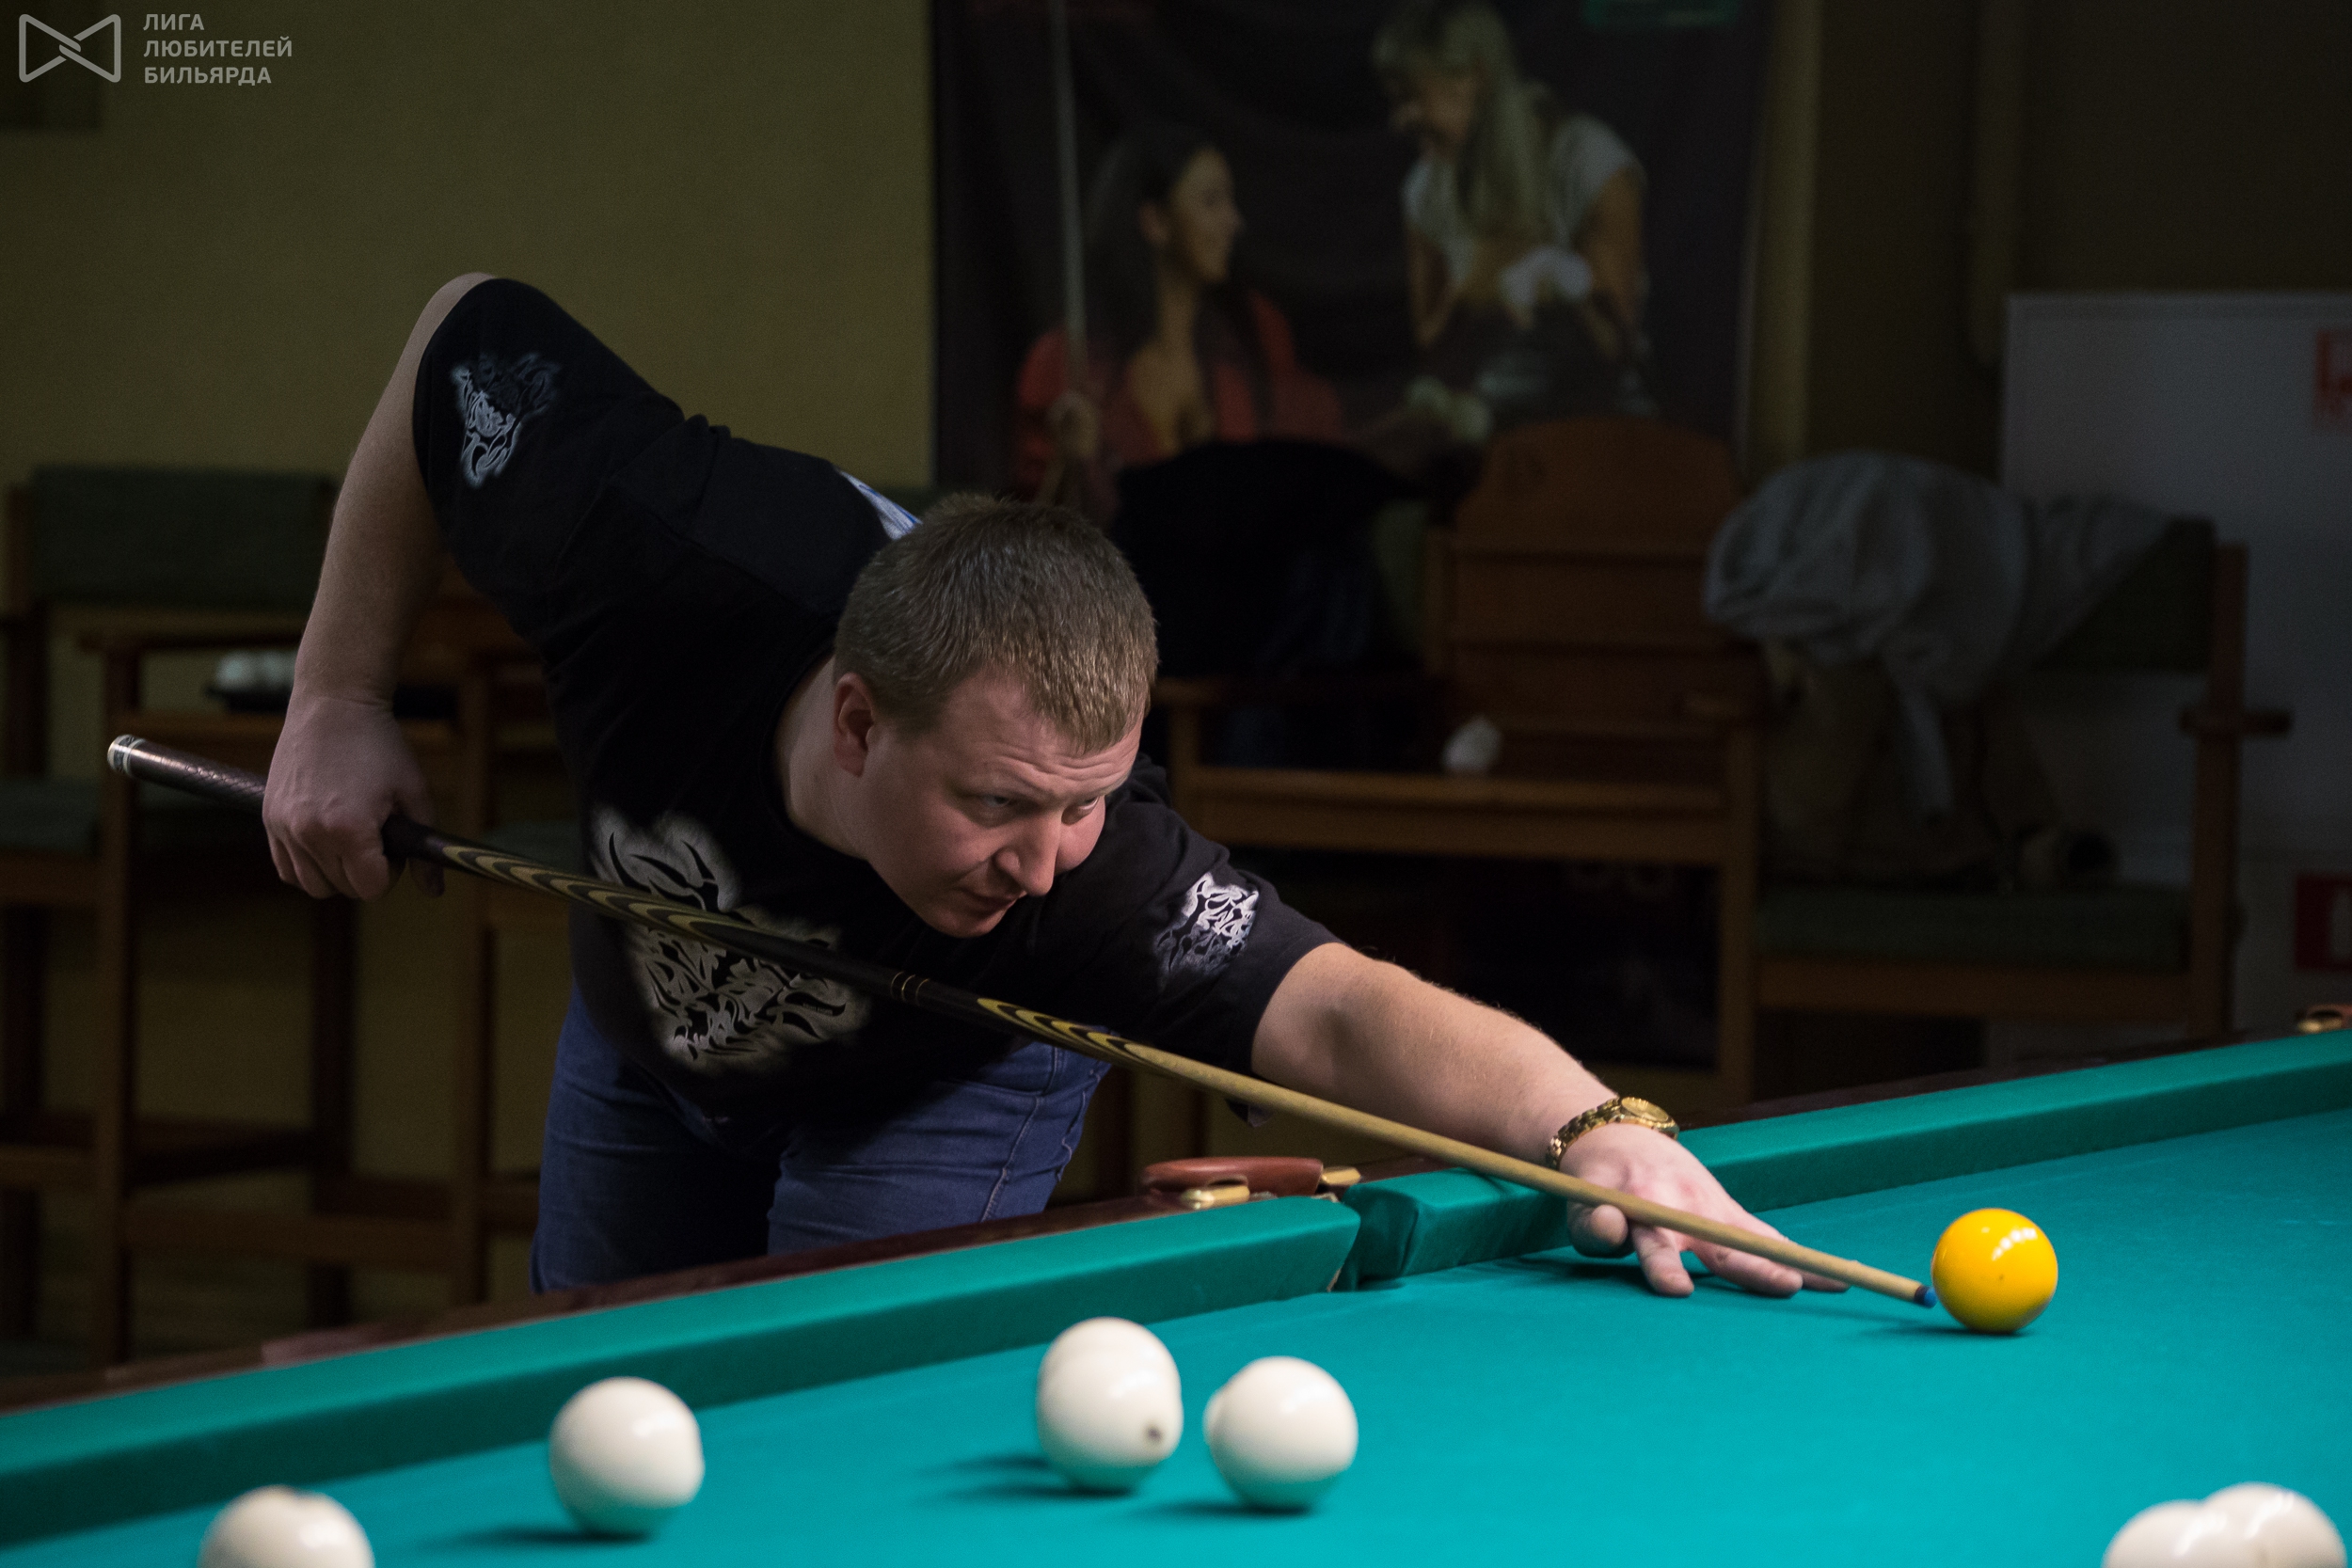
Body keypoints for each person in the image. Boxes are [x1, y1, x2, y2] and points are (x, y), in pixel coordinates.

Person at [266, 272, 1826, 1302]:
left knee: (846, 1413)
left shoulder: (1091, 881)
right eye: (1000, 803)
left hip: (941, 1067)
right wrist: (338, 695)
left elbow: (1340, 1007)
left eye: (1084, 801)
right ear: (861, 723)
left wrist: (1591, 1120)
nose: (1043, 856)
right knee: (593, 1402)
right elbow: (459, 333)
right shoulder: (653, 547)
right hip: (651, 1019)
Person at [1012, 123, 1343, 521]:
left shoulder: (1255, 339)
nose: (1234, 221)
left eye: (1230, 201)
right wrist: (1069, 465)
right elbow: (1032, 532)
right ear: (1156, 221)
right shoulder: (1067, 362)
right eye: (1211, 201)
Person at [1373, 0, 1646, 368]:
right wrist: (1466, 294)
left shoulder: (1588, 164)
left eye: (1410, 97)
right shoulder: (1424, 190)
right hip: (1488, 396)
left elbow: (1616, 343)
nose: (1400, 120)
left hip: (1593, 398)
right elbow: (1430, 345)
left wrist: (1553, 277)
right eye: (1394, 101)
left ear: (1476, 76)